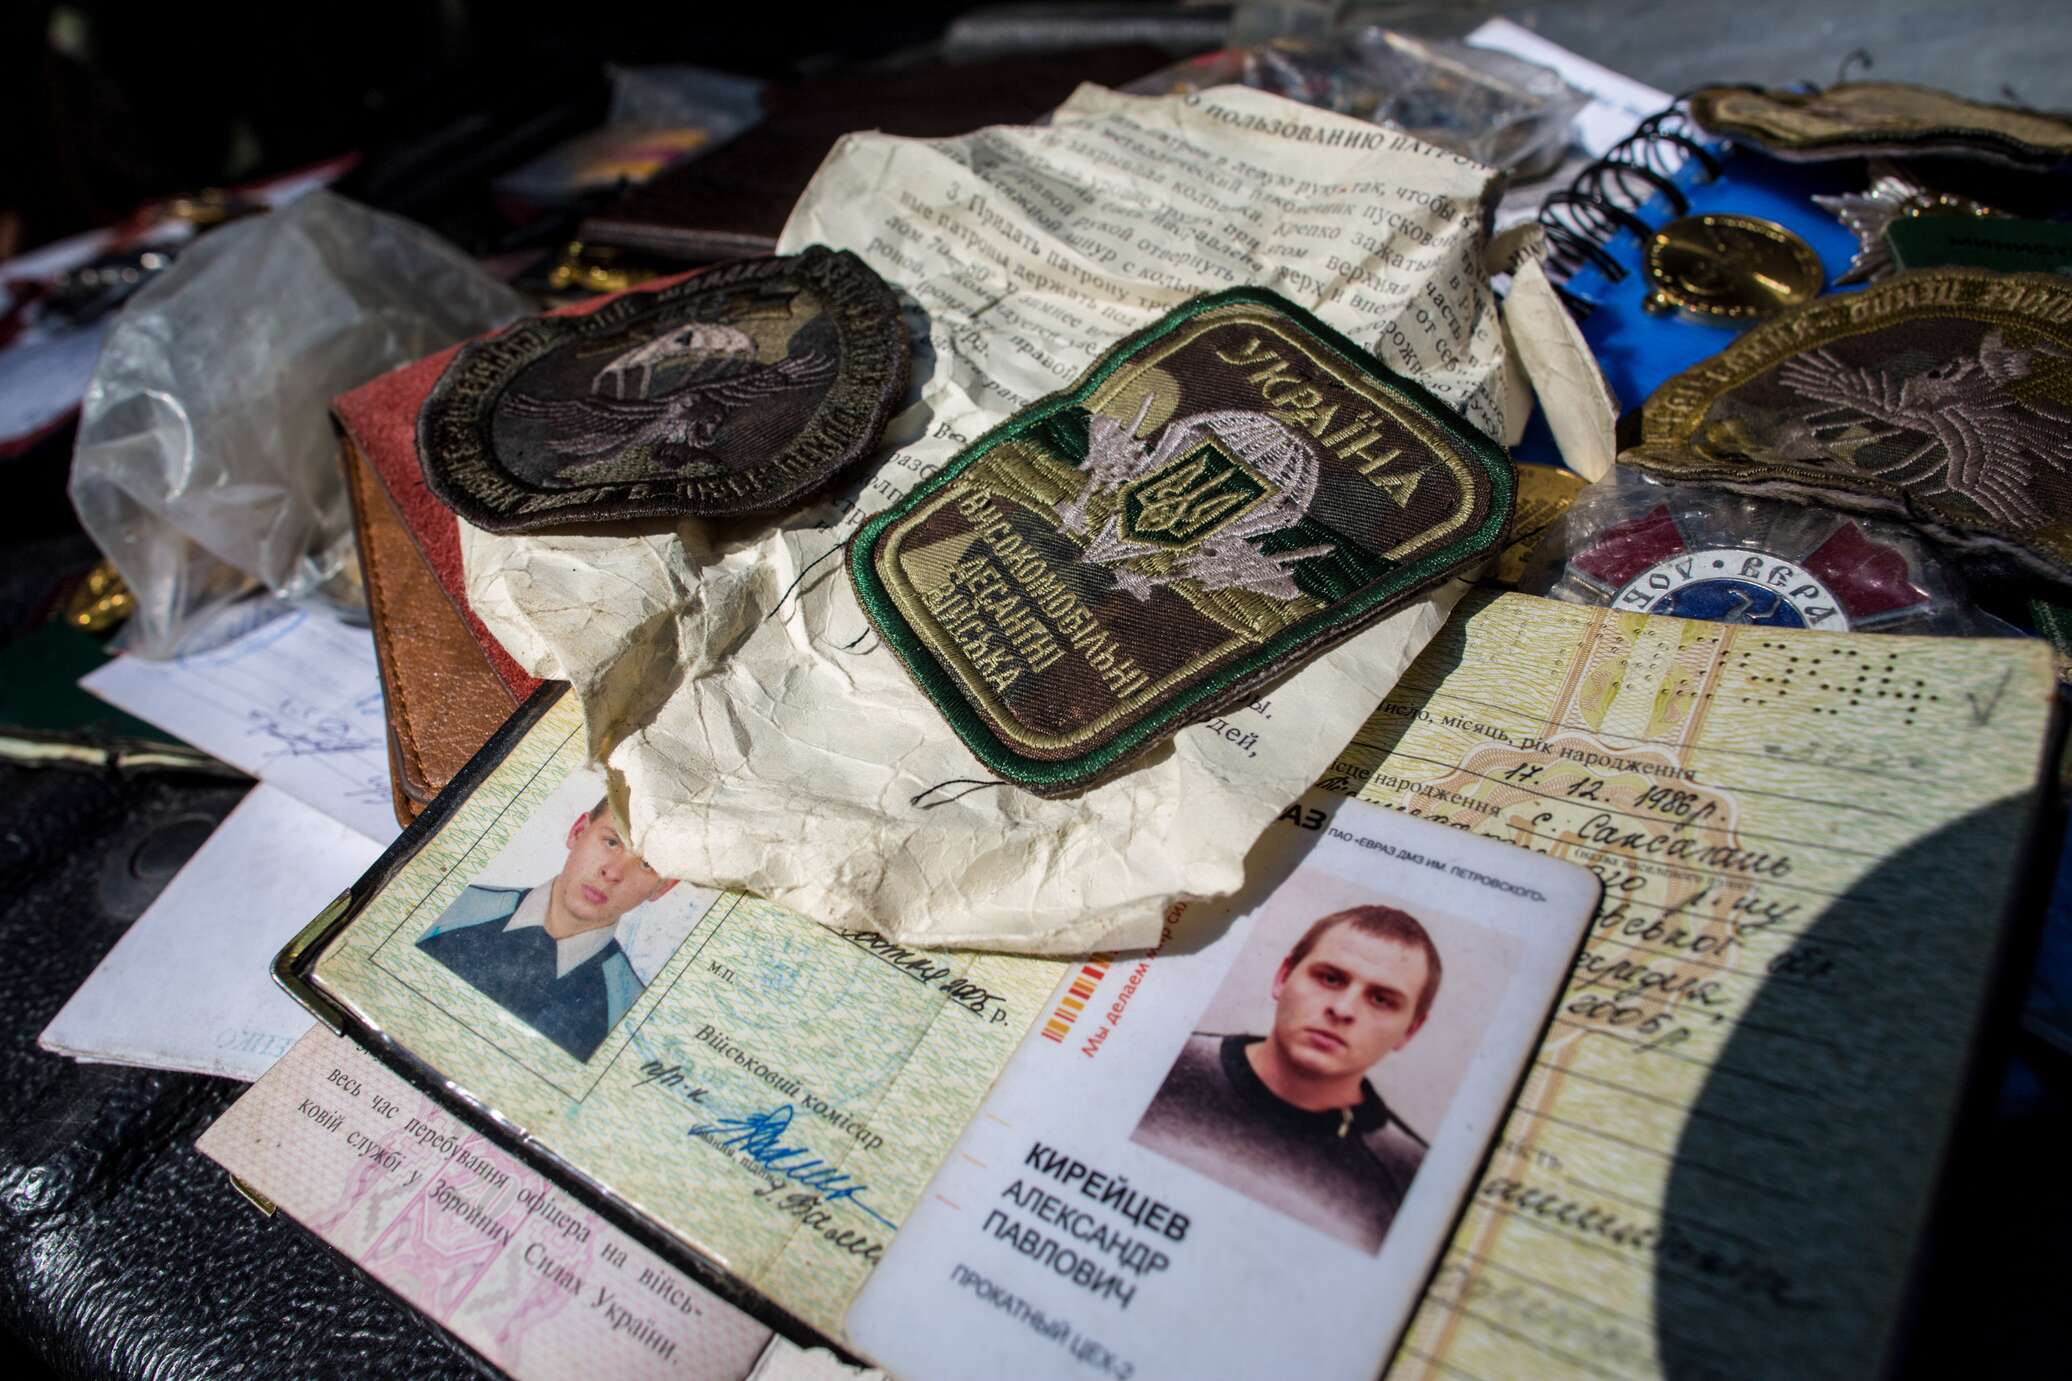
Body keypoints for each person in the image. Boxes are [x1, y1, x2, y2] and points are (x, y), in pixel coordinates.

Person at [1133, 905, 1439, 1254]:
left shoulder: (1412, 1179)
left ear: (1410, 1030)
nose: (1342, 1010)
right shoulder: (1160, 1061)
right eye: (1330, 978)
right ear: (1283, 977)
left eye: (1381, 999)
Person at [417, 799, 677, 1061]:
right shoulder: (449, 909)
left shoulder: (629, 1012)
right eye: (612, 842)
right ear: (578, 832)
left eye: (647, 864)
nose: (613, 873)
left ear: (663, 887)